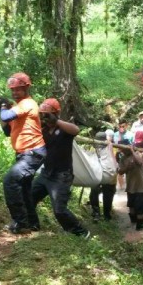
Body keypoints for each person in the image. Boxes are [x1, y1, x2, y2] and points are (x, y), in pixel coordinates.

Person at [28, 99, 90, 238]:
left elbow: (76, 130)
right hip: (46, 173)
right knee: (29, 198)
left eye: (48, 114)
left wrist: (56, 121)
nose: (45, 117)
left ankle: (80, 232)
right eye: (43, 114)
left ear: (56, 114)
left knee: (59, 210)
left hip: (61, 176)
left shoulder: (64, 130)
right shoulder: (43, 130)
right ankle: (32, 224)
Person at [0, 72, 46, 234]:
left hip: (32, 153)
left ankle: (20, 222)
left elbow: (5, 115)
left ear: (26, 89)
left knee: (10, 182)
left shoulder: (28, 104)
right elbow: (6, 130)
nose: (14, 93)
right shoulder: (18, 108)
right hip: (24, 154)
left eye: (18, 89)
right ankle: (32, 223)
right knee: (24, 189)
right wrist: (1, 109)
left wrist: (3, 107)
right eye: (12, 90)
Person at [117, 145, 143, 230]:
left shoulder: (138, 153)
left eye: (124, 149)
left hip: (141, 187)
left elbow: (139, 162)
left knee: (140, 210)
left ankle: (139, 229)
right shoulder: (123, 158)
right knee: (131, 208)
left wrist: (132, 151)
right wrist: (127, 167)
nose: (122, 151)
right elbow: (120, 172)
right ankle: (133, 226)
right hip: (130, 187)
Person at [89, 131, 117, 222]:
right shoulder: (94, 148)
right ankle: (97, 213)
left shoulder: (109, 147)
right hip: (98, 174)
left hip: (106, 174)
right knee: (94, 193)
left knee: (107, 194)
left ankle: (106, 214)